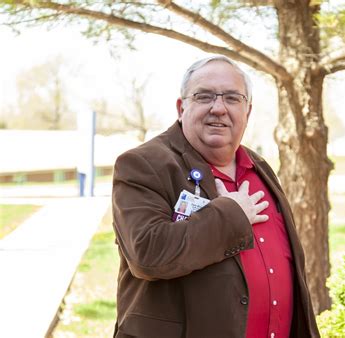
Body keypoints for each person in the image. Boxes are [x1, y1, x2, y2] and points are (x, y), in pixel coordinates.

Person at [112, 55, 320, 338]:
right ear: (181, 107)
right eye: (204, 96)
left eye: (232, 98)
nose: (219, 108)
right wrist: (231, 213)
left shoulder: (259, 167)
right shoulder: (144, 165)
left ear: (247, 111)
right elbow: (149, 254)